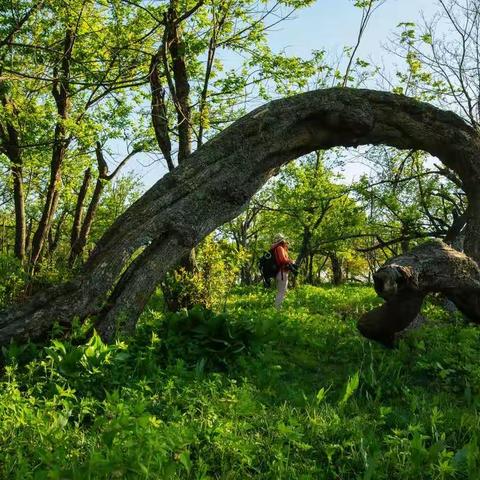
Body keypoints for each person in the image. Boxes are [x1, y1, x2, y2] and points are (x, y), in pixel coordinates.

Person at [270, 234, 294, 309]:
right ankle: (277, 310)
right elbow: (282, 260)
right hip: (282, 273)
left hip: (279, 273)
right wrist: (291, 261)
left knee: (281, 292)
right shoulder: (279, 248)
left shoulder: (276, 248)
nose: (285, 242)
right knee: (281, 292)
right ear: (282, 240)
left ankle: (278, 308)